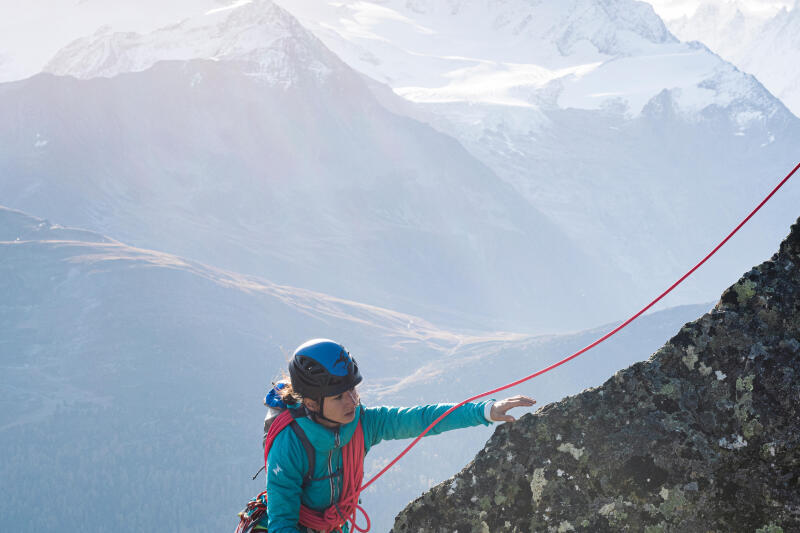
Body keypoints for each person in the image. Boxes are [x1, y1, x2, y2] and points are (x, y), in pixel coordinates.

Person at [253, 338, 535, 532]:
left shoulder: (364, 423)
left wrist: (486, 411)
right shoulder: (290, 443)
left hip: (333, 525)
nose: (352, 401)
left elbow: (421, 418)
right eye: (339, 396)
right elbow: (283, 524)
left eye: (353, 389)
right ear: (312, 403)